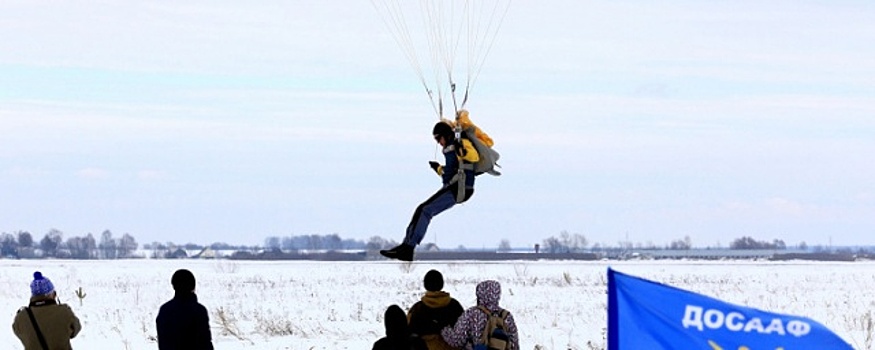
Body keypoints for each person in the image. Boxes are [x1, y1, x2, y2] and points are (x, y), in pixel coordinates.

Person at [381, 119, 480, 261]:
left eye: (438, 138)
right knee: (422, 210)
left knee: (425, 210)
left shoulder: (461, 143)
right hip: (454, 187)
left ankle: (408, 248)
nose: (437, 142)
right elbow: (451, 171)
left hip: (460, 188)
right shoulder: (450, 148)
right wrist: (438, 169)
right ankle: (406, 246)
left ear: (445, 135)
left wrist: (461, 149)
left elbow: (473, 157)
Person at [441, 280, 519, 350]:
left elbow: (457, 341)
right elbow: (514, 345)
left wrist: (445, 330)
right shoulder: (507, 317)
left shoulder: (471, 314)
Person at [12, 271, 82, 350]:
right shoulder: (64, 312)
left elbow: (17, 331)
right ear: (50, 294)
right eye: (54, 293)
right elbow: (76, 329)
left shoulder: (22, 316)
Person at [156, 269, 213, 350]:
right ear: (193, 286)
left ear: (173, 286)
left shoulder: (164, 310)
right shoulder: (199, 311)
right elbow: (205, 342)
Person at [408, 270, 465, 350]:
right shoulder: (455, 306)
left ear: (425, 285)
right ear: (441, 284)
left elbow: (408, 335)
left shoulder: (417, 309)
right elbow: (465, 333)